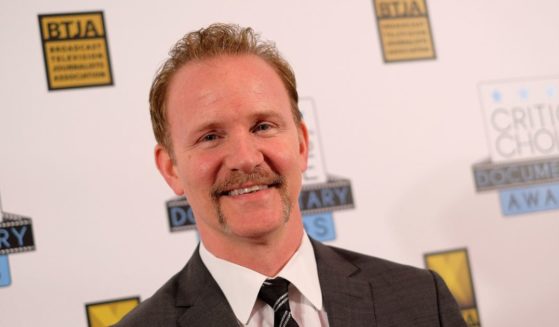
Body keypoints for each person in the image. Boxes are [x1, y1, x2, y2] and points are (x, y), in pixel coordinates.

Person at [116, 23, 466, 327]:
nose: (246, 158)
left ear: (301, 144)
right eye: (210, 136)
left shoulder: (420, 300)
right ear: (170, 168)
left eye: (263, 126)